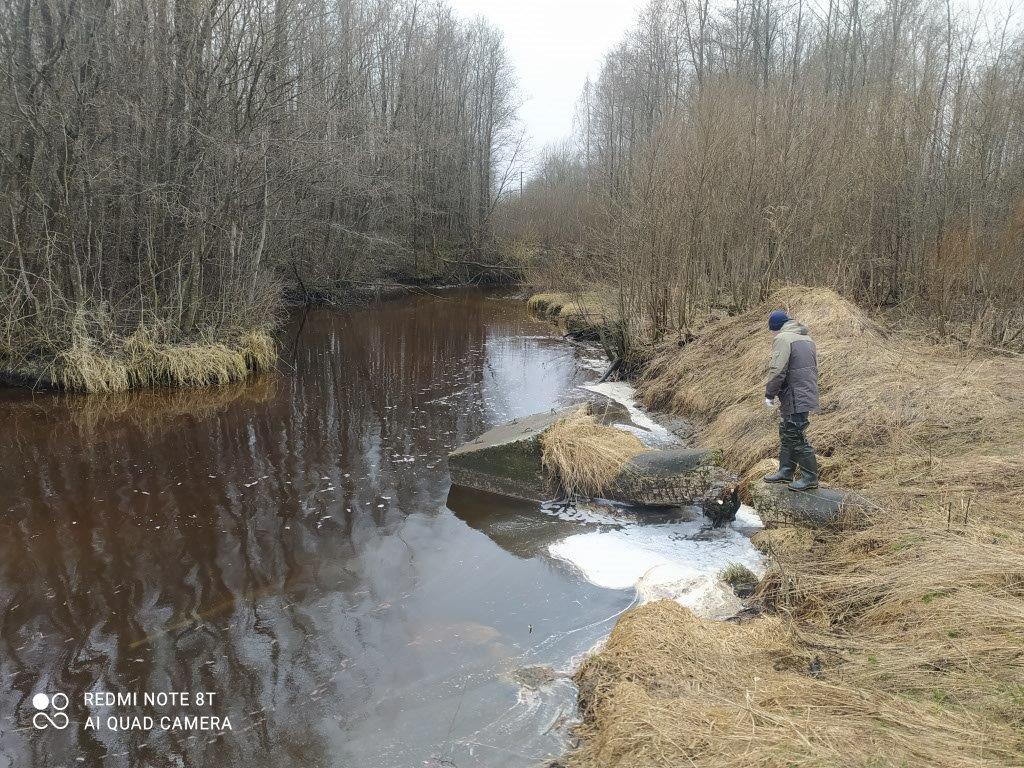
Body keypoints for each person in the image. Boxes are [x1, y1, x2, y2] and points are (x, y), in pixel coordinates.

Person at [763, 309, 820, 490]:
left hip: (795, 395)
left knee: (796, 435)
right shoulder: (806, 338)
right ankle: (786, 471)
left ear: (776, 326)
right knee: (787, 432)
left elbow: (777, 370)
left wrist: (770, 394)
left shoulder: (783, 338)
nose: (772, 333)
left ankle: (810, 477)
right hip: (803, 392)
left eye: (772, 329)